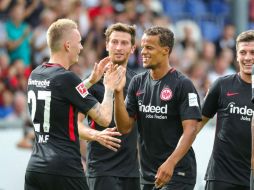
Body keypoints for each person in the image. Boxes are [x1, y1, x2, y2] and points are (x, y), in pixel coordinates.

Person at [25, 18, 125, 190]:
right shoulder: (67, 78)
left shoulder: (36, 74)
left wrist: (90, 81)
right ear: (67, 45)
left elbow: (62, 94)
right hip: (64, 168)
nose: (81, 47)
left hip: (35, 167)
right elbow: (104, 118)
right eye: (79, 43)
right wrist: (108, 88)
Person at [114, 26, 202, 190]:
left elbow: (191, 129)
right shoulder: (137, 82)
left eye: (149, 47)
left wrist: (171, 162)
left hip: (177, 172)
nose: (143, 52)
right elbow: (124, 127)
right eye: (142, 47)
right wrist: (118, 93)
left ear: (165, 51)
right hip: (148, 173)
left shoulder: (183, 84)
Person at [78, 22, 140, 190]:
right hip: (101, 169)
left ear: (133, 48)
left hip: (132, 171)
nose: (118, 47)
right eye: (114, 42)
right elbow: (74, 123)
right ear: (106, 45)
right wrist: (96, 135)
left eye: (124, 43)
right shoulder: (91, 81)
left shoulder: (138, 82)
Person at [197, 30, 254, 190]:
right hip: (221, 177)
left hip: (250, 178)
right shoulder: (222, 85)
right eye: (243, 52)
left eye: (253, 52)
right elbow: (196, 126)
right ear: (236, 56)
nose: (248, 57)